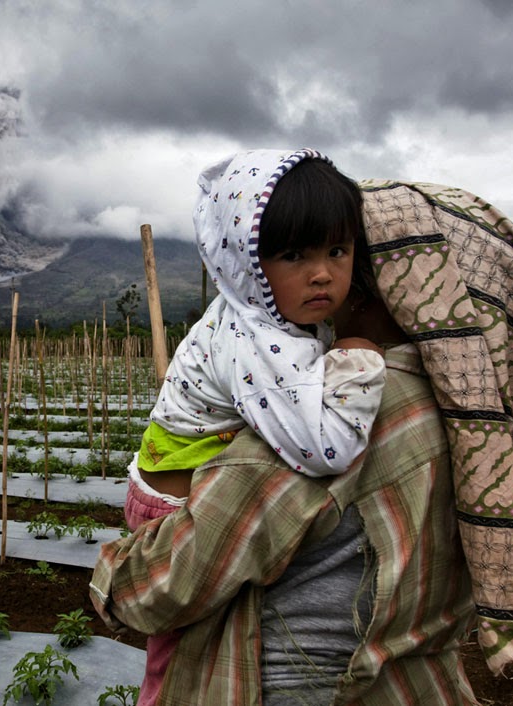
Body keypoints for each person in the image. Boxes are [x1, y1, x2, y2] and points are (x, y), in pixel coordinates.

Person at [92, 175, 513, 705]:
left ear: (382, 286)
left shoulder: (338, 412)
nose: (329, 282)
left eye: (344, 256)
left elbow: (168, 583)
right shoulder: (486, 425)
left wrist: (110, 583)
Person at [123, 149, 387, 705]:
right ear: (245, 260)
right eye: (294, 255)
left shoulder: (270, 314)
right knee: (182, 650)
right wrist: (358, 360)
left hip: (181, 480)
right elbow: (324, 449)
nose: (323, 273)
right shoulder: (258, 340)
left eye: (337, 250)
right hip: (173, 511)